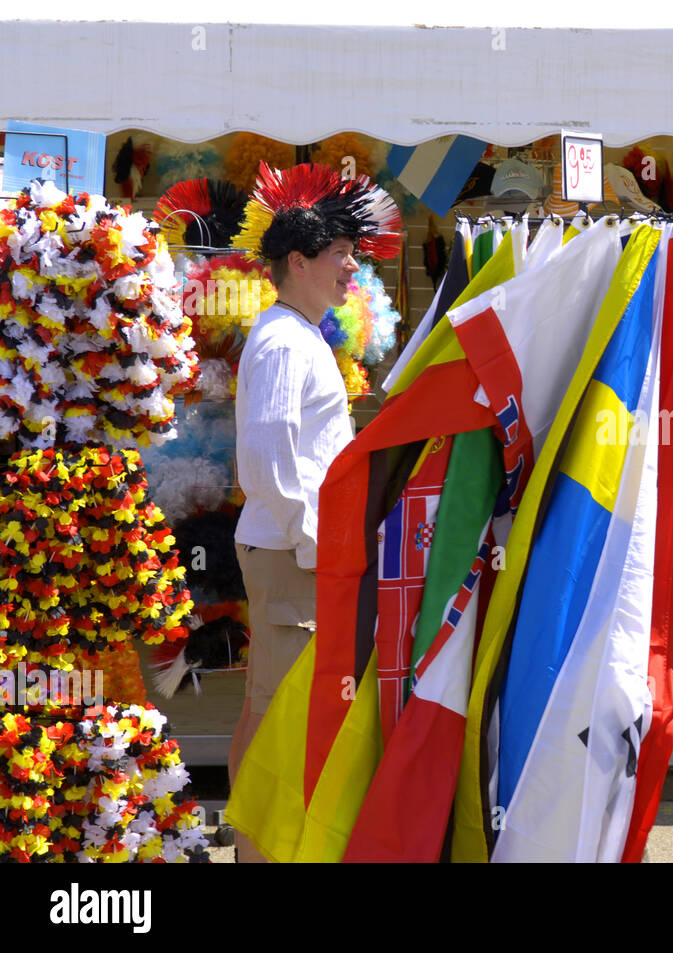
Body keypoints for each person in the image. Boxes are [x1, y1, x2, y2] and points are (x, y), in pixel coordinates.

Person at [226, 161, 401, 862]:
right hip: (291, 552)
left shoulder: (296, 334)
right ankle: (260, 852)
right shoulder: (281, 340)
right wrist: (314, 540)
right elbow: (267, 456)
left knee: (267, 704)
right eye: (340, 255)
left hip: (294, 550)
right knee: (279, 715)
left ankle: (257, 847)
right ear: (297, 261)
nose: (351, 269)